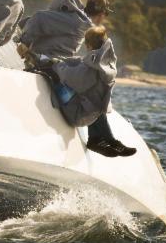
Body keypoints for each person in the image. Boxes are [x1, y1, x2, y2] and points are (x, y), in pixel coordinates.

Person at [43, 26, 136, 157]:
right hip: (92, 114)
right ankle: (107, 139)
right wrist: (60, 60)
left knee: (57, 78)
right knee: (95, 101)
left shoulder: (90, 69)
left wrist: (56, 65)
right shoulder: (104, 65)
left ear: (88, 45)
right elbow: (81, 61)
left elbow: (72, 77)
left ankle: (97, 140)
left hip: (78, 115)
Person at [17, 0, 111, 62]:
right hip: (46, 61)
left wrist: (20, 28)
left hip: (50, 61)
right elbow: (39, 18)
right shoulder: (78, 23)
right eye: (106, 14)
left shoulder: (81, 21)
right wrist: (24, 43)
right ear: (101, 14)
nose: (105, 17)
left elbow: (36, 20)